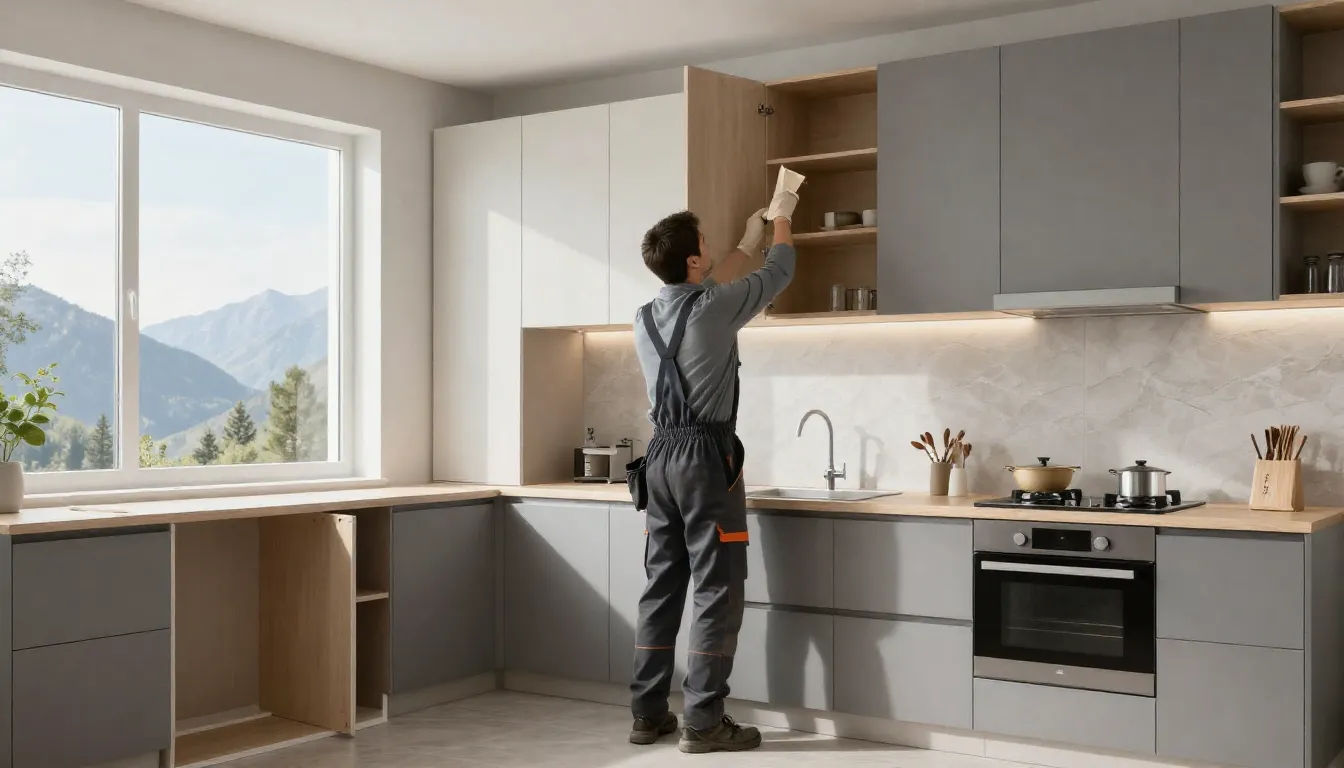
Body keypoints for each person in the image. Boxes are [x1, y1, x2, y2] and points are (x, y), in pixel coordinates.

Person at [626, 188, 799, 754]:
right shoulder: (714, 306)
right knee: (716, 591)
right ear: (695, 260)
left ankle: (648, 715)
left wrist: (740, 244)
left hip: (659, 463)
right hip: (705, 460)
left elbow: (706, 291)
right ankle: (703, 722)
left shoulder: (646, 315)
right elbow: (782, 270)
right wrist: (781, 221)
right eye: (705, 245)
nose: (711, 249)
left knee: (661, 588)